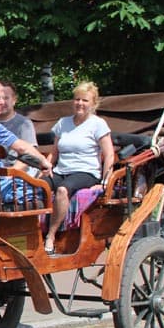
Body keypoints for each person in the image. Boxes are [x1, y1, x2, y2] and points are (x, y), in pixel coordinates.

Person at [43, 81, 115, 254]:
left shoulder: (98, 124)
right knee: (36, 186)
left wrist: (105, 182)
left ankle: (50, 236)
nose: (80, 104)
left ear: (93, 103)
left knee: (62, 190)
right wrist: (46, 167)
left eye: (85, 100)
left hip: (86, 172)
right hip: (61, 170)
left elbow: (109, 154)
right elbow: (54, 152)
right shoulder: (63, 123)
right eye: (77, 100)